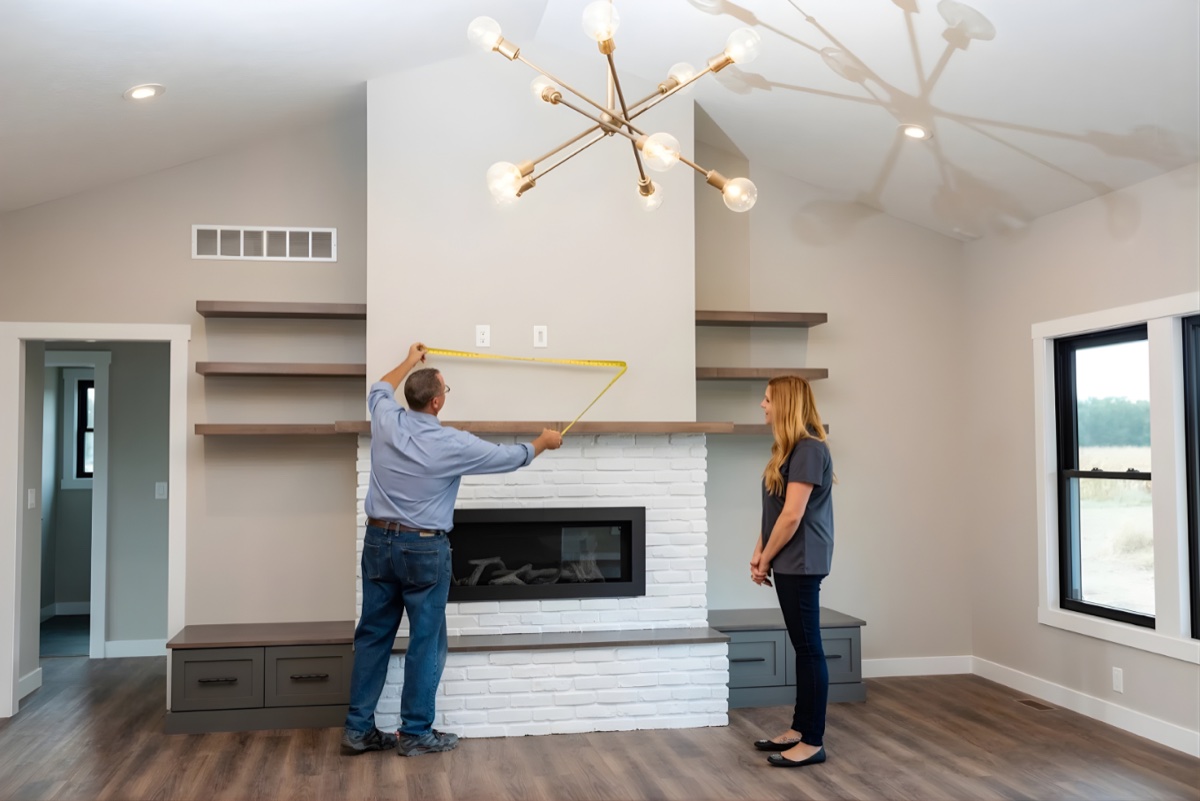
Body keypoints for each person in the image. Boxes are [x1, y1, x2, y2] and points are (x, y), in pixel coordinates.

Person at [341, 342, 563, 757]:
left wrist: (408, 361)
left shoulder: (386, 419)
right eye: (447, 389)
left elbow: (378, 388)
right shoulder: (453, 444)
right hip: (423, 550)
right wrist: (543, 441)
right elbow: (510, 457)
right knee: (426, 641)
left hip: (378, 543)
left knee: (372, 637)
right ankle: (416, 733)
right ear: (438, 402)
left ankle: (358, 731)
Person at [749, 375, 834, 768]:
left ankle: (812, 741)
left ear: (784, 404)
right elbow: (775, 510)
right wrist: (759, 550)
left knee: (809, 649)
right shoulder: (789, 450)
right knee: (803, 649)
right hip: (787, 558)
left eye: (767, 399)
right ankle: (800, 729)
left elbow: (794, 515)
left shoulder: (810, 449)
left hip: (800, 561)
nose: (763, 405)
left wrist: (766, 558)